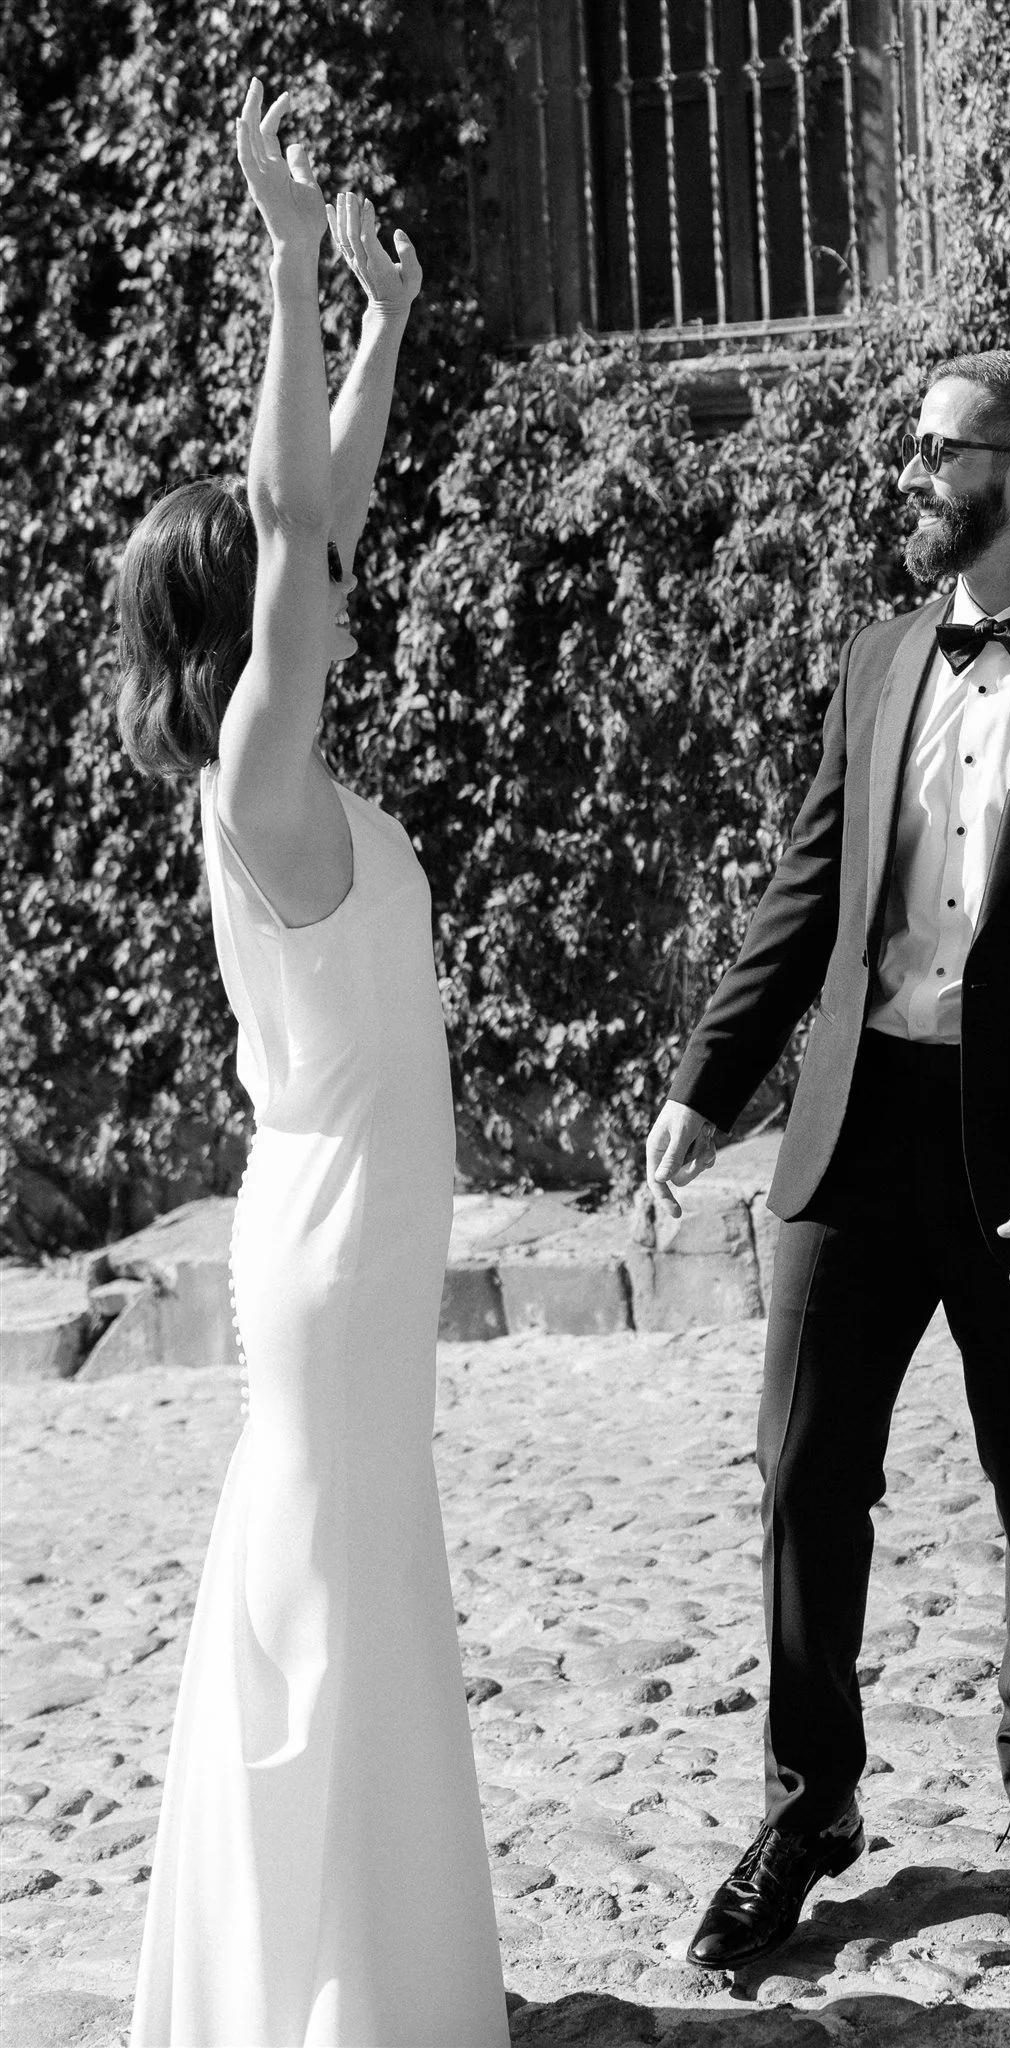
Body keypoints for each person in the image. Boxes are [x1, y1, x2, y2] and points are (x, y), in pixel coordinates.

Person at [646, 350, 1010, 1965]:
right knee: (801, 1473)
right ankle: (807, 1806)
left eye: (937, 450)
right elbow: (807, 888)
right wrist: (708, 1082)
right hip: (853, 1132)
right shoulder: (876, 657)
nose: (909, 473)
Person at [118, 80, 508, 2047]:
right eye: (298, 573)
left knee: (349, 1571)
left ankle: (352, 1968)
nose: (344, 570)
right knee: (334, 1588)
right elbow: (298, 526)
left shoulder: (285, 773)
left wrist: (386, 317)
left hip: (344, 1234)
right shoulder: (259, 779)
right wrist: (284, 260)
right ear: (241, 619)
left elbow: (317, 509)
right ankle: (330, 1993)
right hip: (333, 1248)